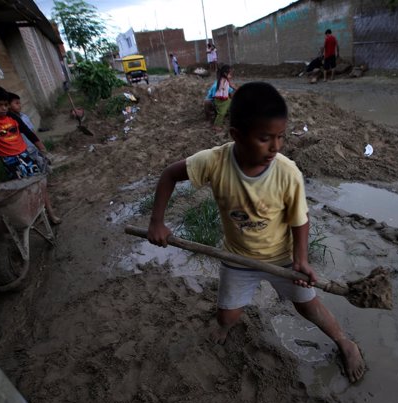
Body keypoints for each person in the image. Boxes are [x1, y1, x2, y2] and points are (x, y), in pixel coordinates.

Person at [147, 82, 366, 383]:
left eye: (280, 137)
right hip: (237, 258)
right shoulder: (214, 162)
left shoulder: (287, 173)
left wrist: (300, 259)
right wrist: (157, 222)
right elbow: (170, 174)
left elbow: (300, 220)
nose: (275, 147)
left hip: (282, 259)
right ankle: (224, 327)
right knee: (227, 317)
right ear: (236, 135)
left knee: (308, 305)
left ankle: (345, 341)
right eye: (265, 139)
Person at [0, 83, 61, 224]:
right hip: (10, 162)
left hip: (25, 155)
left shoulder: (12, 116)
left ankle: (51, 214)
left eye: (5, 104)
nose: (4, 108)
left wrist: (44, 151)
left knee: (40, 184)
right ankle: (34, 214)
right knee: (24, 190)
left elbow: (28, 133)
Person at [8, 92, 50, 174]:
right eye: (16, 103)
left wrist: (38, 144)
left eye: (19, 103)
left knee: (42, 162)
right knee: (32, 166)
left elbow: (32, 131)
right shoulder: (11, 121)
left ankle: (45, 180)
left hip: (32, 145)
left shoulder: (24, 116)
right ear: (8, 105)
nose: (19, 105)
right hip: (24, 149)